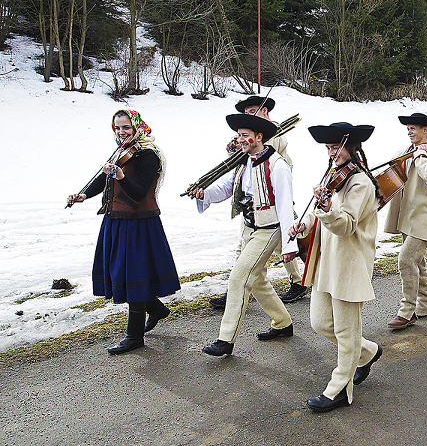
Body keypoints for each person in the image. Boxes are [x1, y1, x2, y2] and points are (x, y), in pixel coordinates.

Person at [67, 110, 180, 354]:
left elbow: (139, 192)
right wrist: (83, 195)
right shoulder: (122, 151)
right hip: (117, 220)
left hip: (139, 224)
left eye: (126, 127)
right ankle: (157, 310)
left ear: (137, 126)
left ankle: (134, 337)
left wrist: (120, 176)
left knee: (134, 277)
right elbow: (104, 179)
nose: (121, 132)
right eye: (117, 128)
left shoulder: (149, 155)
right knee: (124, 274)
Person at [289, 122, 382, 413]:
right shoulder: (333, 176)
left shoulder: (361, 183)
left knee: (344, 330)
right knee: (321, 323)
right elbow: (319, 219)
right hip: (326, 261)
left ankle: (339, 389)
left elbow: (345, 225)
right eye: (328, 148)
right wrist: (302, 226)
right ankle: (367, 352)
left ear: (352, 148)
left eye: (336, 148)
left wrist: (328, 207)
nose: (331, 154)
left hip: (350, 263)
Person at [189, 113, 297, 356]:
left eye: (245, 136)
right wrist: (204, 194)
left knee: (239, 278)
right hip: (249, 226)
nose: (241, 141)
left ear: (260, 137)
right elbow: (227, 188)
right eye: (239, 136)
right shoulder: (243, 161)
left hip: (269, 229)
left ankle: (225, 339)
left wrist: (289, 245)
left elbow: (285, 205)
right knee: (256, 279)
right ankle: (283, 323)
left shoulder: (278, 165)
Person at [209, 96, 308, 310]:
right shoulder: (252, 133)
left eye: (253, 110)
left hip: (271, 198)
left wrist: (244, 142)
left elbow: (264, 150)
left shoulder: (276, 133)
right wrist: (235, 148)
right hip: (252, 205)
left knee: (287, 239)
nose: (249, 115)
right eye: (247, 112)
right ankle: (236, 287)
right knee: (244, 247)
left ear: (264, 112)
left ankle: (303, 279)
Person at [383, 113, 427, 330]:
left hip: (424, 217)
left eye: (414, 128)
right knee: (417, 262)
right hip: (406, 215)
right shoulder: (405, 152)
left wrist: (421, 157)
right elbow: (391, 176)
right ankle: (424, 304)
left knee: (405, 260)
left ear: (425, 130)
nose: (410, 131)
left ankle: (407, 310)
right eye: (408, 128)